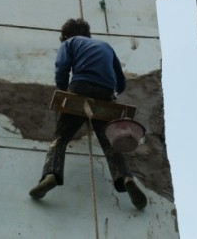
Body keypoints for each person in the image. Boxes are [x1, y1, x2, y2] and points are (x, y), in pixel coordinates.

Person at [28, 18, 147, 210]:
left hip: (80, 87)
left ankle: (51, 174)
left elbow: (62, 67)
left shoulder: (70, 43)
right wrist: (110, 92)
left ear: (66, 35)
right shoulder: (106, 46)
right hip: (106, 93)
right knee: (110, 142)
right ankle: (125, 178)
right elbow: (121, 82)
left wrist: (63, 90)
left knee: (61, 137)